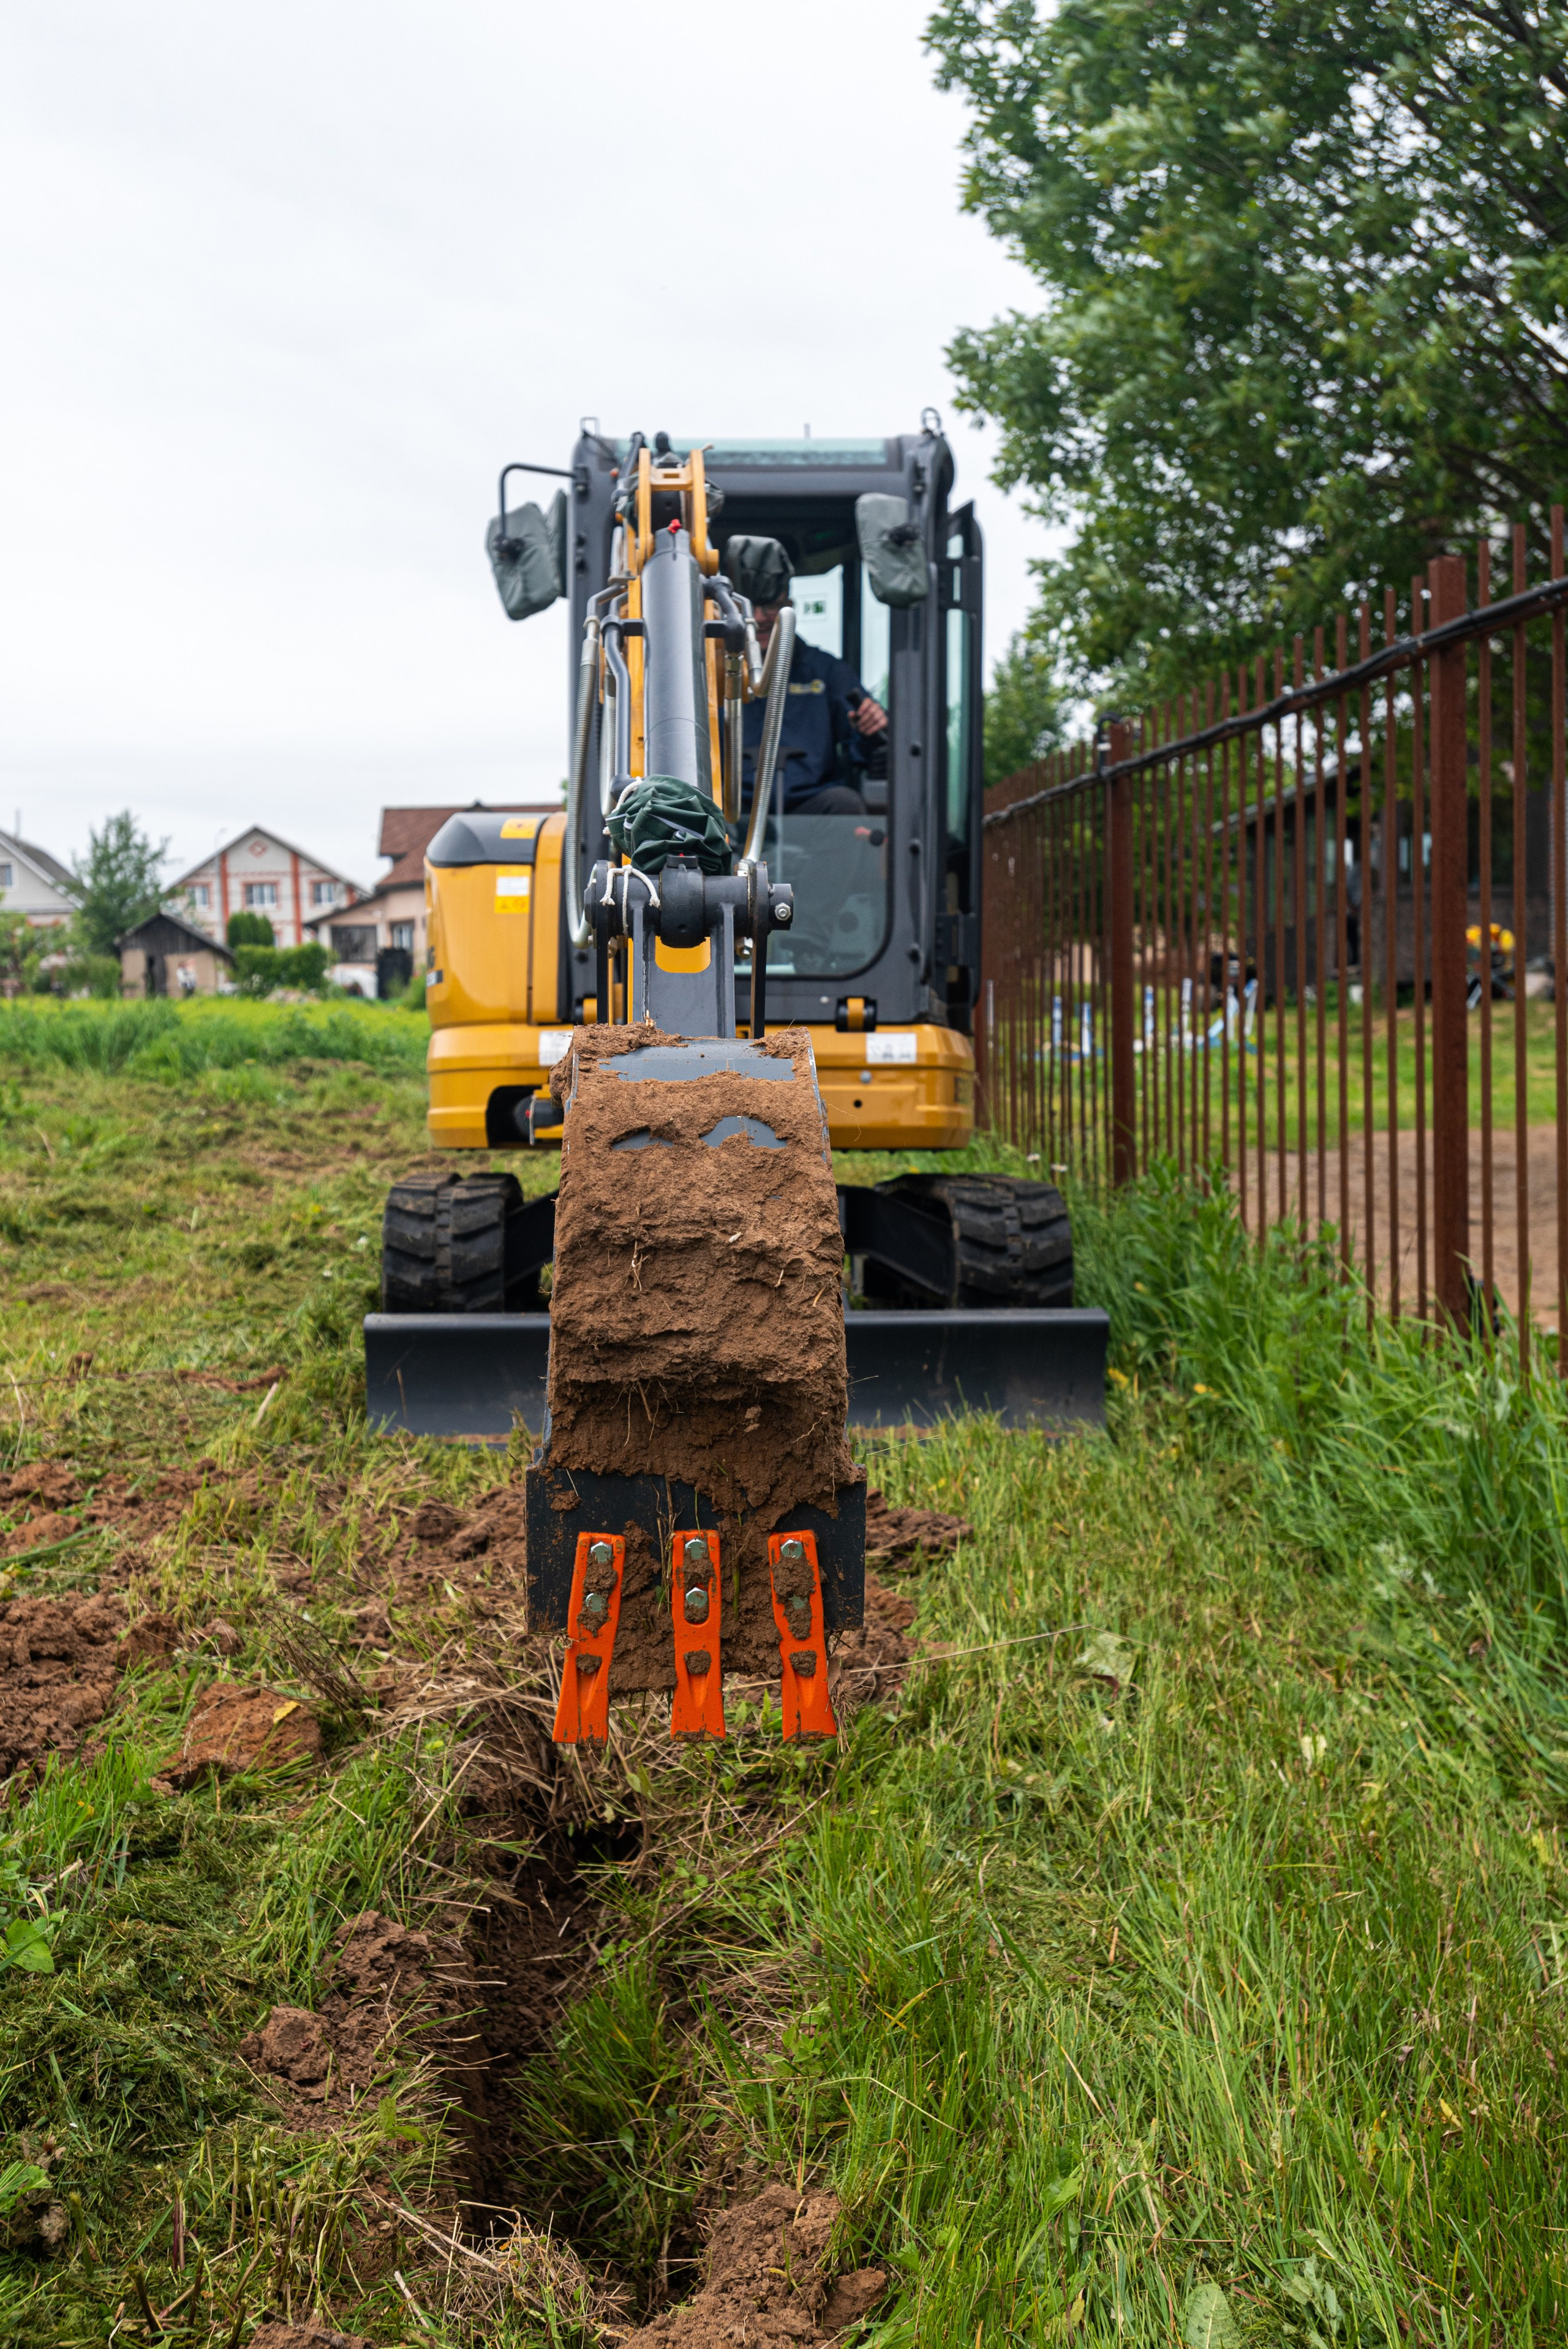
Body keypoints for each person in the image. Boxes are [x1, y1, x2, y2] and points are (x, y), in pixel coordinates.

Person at [740, 593, 889, 817]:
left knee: (845, 804)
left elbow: (870, 748)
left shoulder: (826, 671)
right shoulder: (715, 674)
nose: (759, 618)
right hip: (736, 806)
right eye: (749, 607)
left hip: (811, 804)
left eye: (770, 606)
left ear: (789, 608)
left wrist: (873, 725)